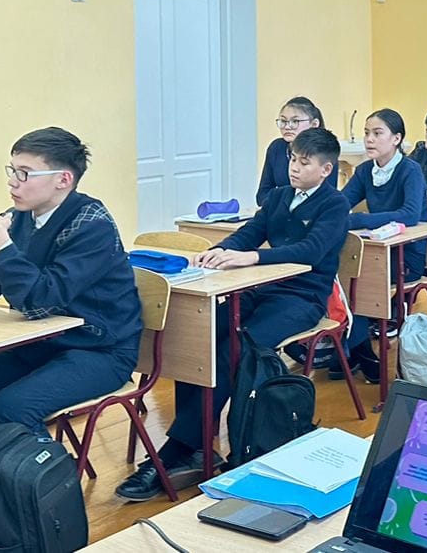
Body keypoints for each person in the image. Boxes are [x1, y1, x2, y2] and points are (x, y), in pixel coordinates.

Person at [116, 127, 348, 500]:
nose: (294, 168)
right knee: (200, 337)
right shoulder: (279, 197)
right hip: (261, 289)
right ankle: (196, 443)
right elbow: (249, 232)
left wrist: (252, 257)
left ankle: (176, 450)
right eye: (292, 159)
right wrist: (218, 252)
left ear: (325, 169)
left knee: (233, 350)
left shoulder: (334, 205)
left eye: (304, 163)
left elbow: (310, 250)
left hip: (301, 299)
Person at [0, 128, 142, 453]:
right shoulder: (18, 218)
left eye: (25, 173)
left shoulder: (93, 224)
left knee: (11, 409)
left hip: (99, 351)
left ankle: (45, 484)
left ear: (63, 179)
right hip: (37, 344)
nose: (13, 182)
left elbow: (40, 302)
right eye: (12, 171)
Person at [334, 108, 427, 381]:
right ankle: (355, 349)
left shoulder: (410, 170)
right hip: (375, 252)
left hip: (406, 256)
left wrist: (360, 219)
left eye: (377, 133)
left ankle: (358, 352)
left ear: (396, 139)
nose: (369, 139)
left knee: (358, 279)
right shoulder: (365, 170)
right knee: (341, 273)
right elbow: (342, 202)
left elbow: (410, 214)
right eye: (367, 133)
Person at [257, 96, 336, 199]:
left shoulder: (325, 151)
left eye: (295, 121)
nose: (287, 127)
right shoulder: (276, 148)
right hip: (279, 208)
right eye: (283, 121)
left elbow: (327, 196)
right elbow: (262, 194)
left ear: (314, 124)